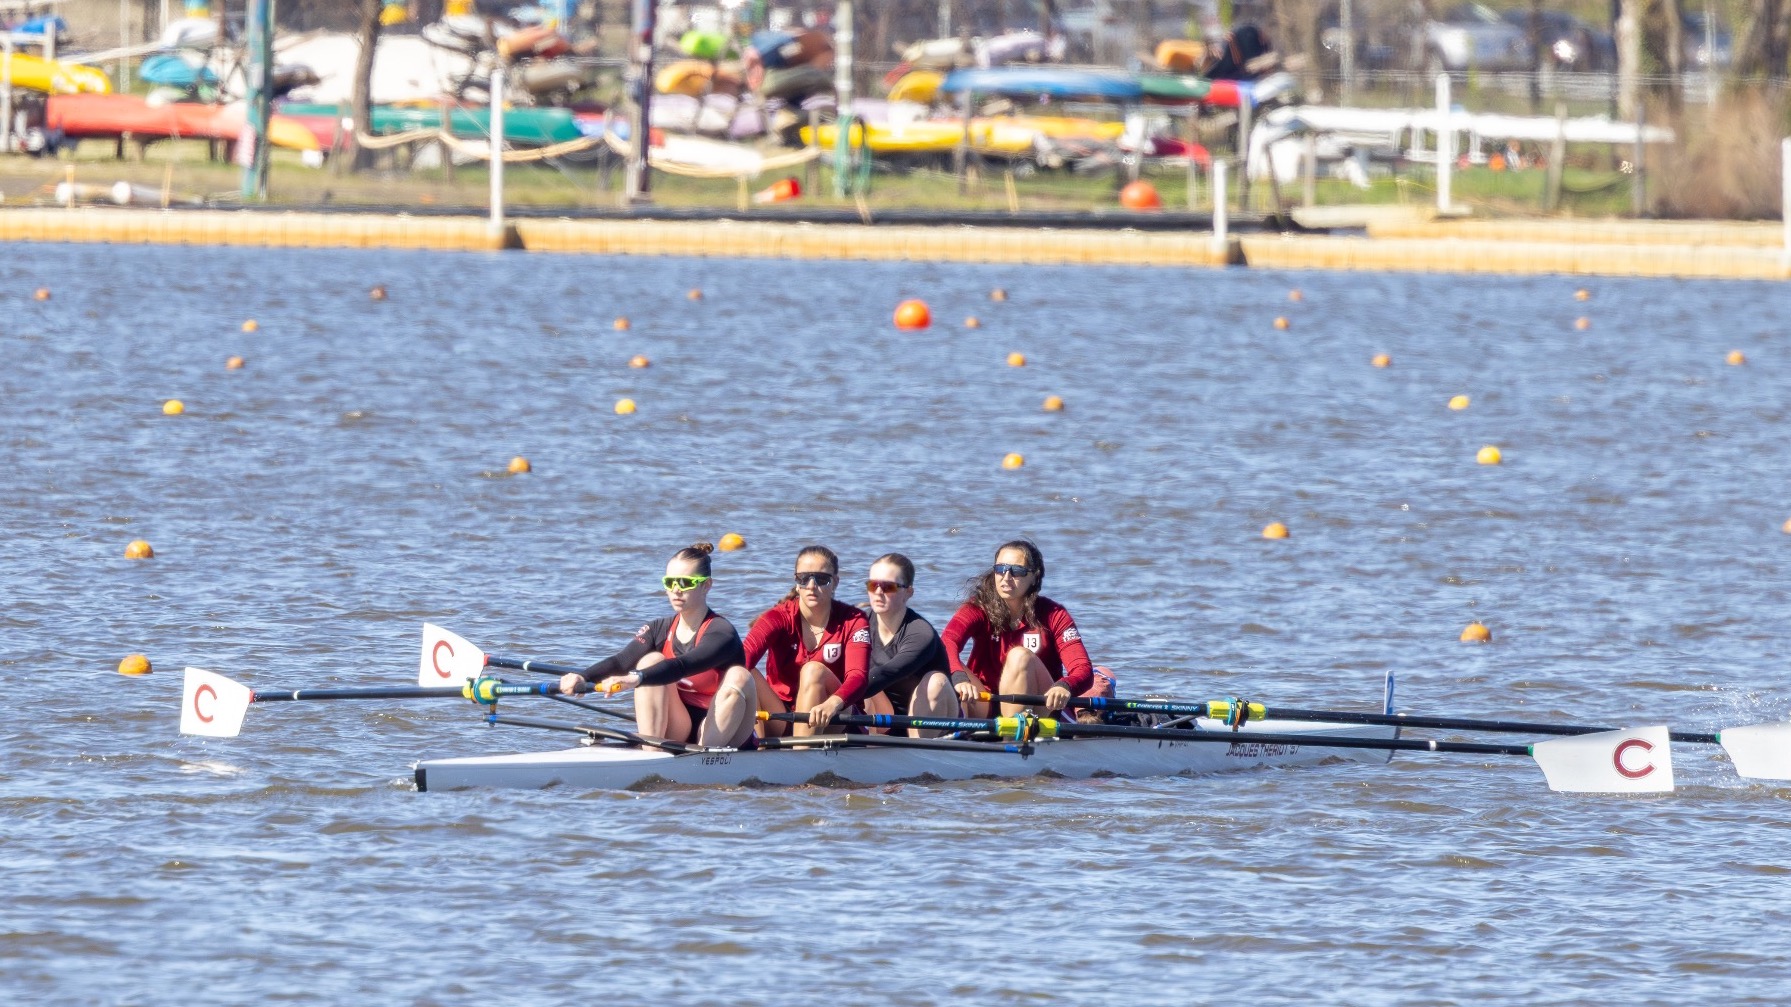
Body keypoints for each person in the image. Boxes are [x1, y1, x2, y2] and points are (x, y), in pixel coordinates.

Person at [557, 543, 757, 747]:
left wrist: (635, 678)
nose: (676, 590)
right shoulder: (659, 629)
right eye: (670, 583)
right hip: (681, 725)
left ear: (706, 585)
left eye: (685, 582)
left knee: (739, 676)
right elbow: (621, 661)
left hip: (725, 729)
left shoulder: (722, 632)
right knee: (650, 660)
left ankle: (704, 757)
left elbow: (684, 665)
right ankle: (652, 752)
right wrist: (583, 676)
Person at [941, 539, 1095, 718]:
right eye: (1000, 569)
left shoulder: (1054, 614)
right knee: (941, 663)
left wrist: (1065, 685)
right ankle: (954, 737)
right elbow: (947, 641)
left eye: (1017, 571)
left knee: (1019, 656)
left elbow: (1082, 668)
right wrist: (958, 678)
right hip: (987, 702)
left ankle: (1010, 740)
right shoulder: (977, 608)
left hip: (1040, 707)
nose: (1006, 578)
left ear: (1034, 577)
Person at [741, 545, 871, 738]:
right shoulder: (777, 617)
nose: (811, 586)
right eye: (804, 578)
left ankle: (799, 753)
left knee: (813, 670)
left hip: (836, 717)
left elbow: (858, 677)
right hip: (783, 716)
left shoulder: (854, 620)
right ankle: (753, 749)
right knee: (742, 671)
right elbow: (744, 657)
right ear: (796, 582)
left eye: (821, 579)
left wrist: (833, 702)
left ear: (835, 582)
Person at [832, 552, 956, 738]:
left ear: (908, 592)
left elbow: (887, 673)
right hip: (884, 716)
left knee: (935, 680)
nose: (879, 593)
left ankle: (918, 751)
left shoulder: (921, 633)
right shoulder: (858, 623)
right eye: (873, 585)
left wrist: (835, 700)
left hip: (932, 719)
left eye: (888, 587)